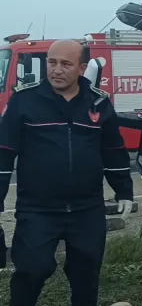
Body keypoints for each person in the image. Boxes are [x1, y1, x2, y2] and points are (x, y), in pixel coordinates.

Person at [0, 40, 134, 306]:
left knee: (86, 276)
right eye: (52, 63)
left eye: (66, 64)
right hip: (38, 210)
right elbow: (3, 154)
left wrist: (124, 190)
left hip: (87, 210)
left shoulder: (98, 103)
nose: (56, 70)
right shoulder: (24, 102)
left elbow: (114, 151)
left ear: (82, 68)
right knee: (32, 269)